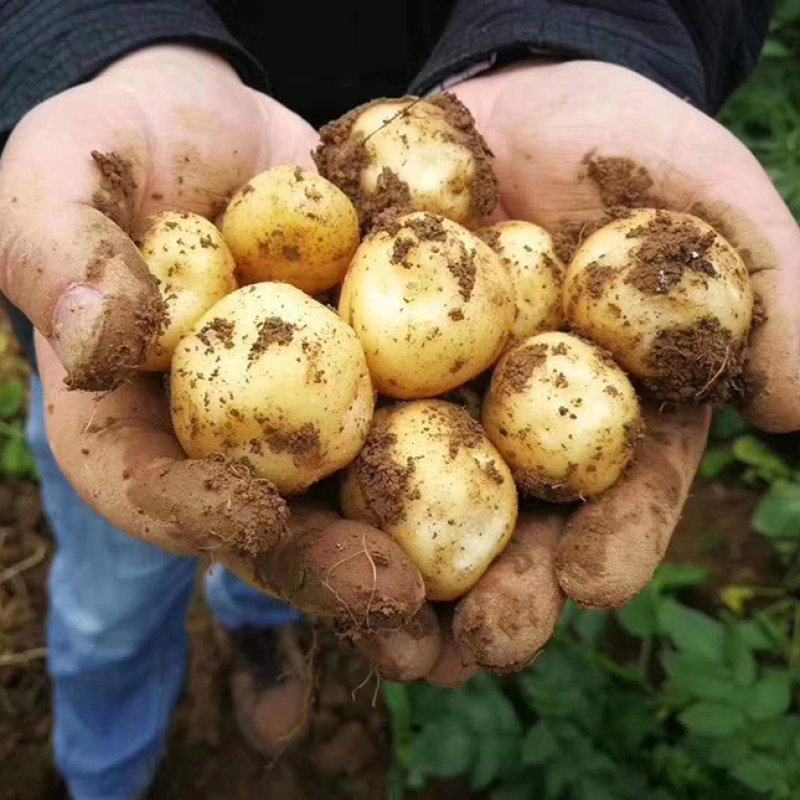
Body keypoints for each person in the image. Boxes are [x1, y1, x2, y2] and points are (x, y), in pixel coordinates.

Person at [1, 1, 798, 798]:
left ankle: (256, 633)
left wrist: (588, 30)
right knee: (114, 597)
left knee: (282, 545)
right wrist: (102, 45)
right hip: (169, 245)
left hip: (475, 78)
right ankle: (101, 770)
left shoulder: (475, 289)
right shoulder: (239, 287)